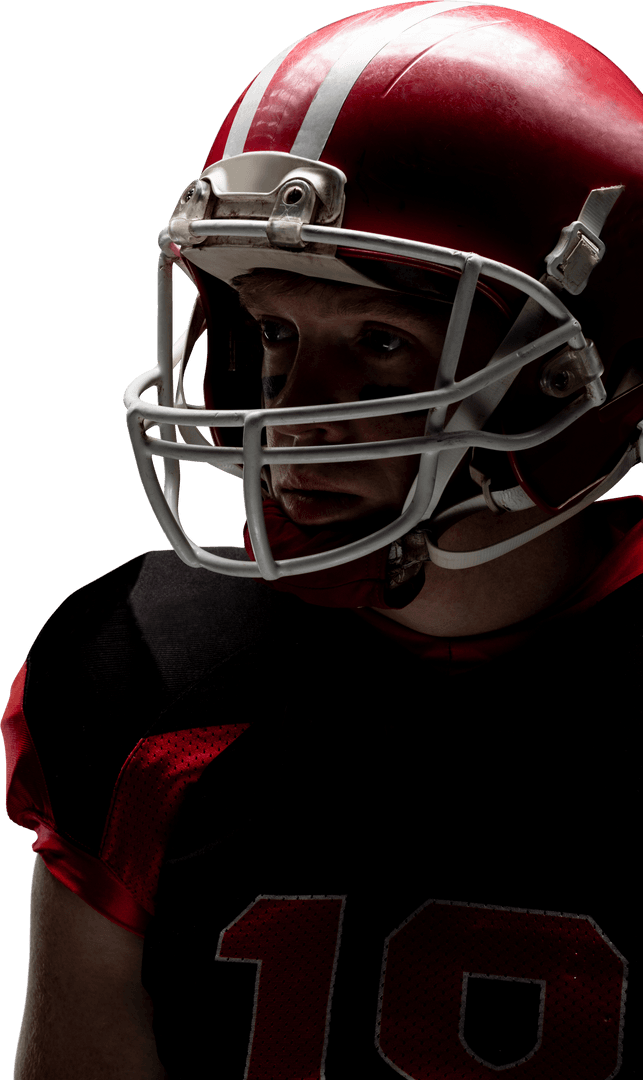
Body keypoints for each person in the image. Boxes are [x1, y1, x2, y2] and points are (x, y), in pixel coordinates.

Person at [2, 2, 642, 1077]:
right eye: (276, 332)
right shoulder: (151, 671)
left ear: (569, 381)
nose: (295, 412)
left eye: (381, 343)